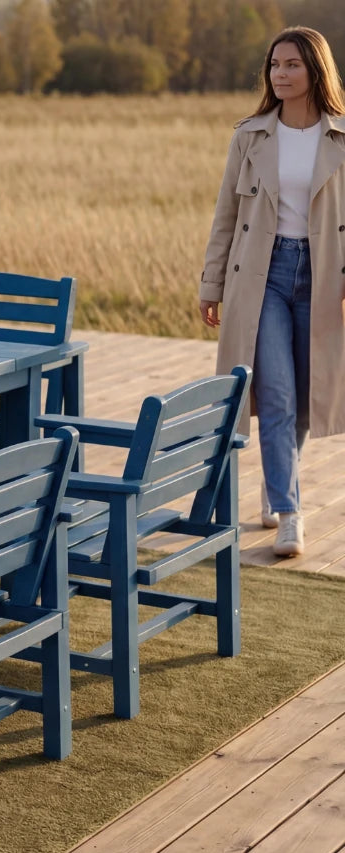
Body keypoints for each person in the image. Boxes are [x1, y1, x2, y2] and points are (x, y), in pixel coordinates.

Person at [199, 25, 345, 559]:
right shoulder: (250, 136)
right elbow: (226, 217)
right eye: (274, 65)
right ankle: (290, 513)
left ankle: (275, 481)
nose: (279, 75)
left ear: (315, 71)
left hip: (324, 277)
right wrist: (211, 283)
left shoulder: (341, 138)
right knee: (277, 395)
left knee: (307, 397)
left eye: (291, 65)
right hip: (262, 275)